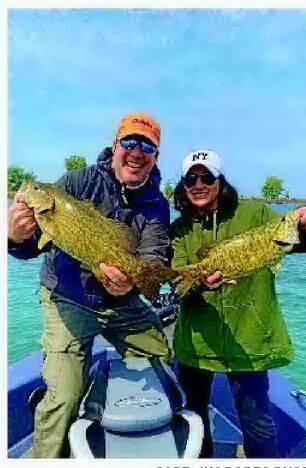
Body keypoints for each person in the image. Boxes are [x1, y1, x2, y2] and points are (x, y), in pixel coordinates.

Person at [8, 112, 172, 458]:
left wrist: (131, 283)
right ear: (115, 146)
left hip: (123, 303)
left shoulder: (157, 203)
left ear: (155, 156)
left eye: (147, 146)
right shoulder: (77, 182)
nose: (136, 152)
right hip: (68, 298)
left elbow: (154, 253)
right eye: (129, 142)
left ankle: (117, 422)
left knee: (160, 361)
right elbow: (29, 247)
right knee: (63, 396)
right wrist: (14, 237)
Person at [170, 149, 306, 458]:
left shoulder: (257, 216)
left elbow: (297, 242)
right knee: (195, 419)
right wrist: (199, 282)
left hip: (249, 340)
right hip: (197, 342)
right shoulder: (179, 230)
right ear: (183, 185)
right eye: (190, 178)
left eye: (207, 176)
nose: (198, 184)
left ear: (220, 181)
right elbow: (178, 283)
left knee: (257, 423)